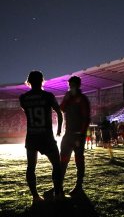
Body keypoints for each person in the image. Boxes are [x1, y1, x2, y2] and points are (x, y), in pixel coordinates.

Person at [19, 71, 64, 204]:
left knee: (31, 167)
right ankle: (58, 193)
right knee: (57, 164)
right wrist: (60, 129)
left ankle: (36, 197)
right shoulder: (48, 96)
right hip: (46, 137)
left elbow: (26, 109)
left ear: (29, 82)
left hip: (32, 136)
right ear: (42, 81)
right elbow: (59, 113)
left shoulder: (23, 98)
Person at [60, 75, 91, 195]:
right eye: (69, 85)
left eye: (73, 85)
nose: (71, 87)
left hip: (78, 135)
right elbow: (62, 109)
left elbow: (86, 118)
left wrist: (80, 134)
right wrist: (66, 99)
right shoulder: (69, 98)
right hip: (68, 134)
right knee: (62, 160)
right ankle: (59, 185)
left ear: (78, 85)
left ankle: (79, 186)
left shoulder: (82, 99)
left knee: (79, 160)